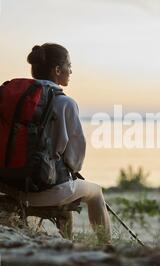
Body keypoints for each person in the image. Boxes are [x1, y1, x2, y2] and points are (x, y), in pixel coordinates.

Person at [22, 43, 111, 242]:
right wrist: (72, 166)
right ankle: (107, 246)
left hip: (13, 183)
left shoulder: (24, 98)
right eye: (68, 65)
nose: (71, 71)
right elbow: (75, 158)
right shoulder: (66, 103)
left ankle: (67, 241)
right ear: (57, 70)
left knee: (64, 181)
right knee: (95, 191)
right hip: (41, 189)